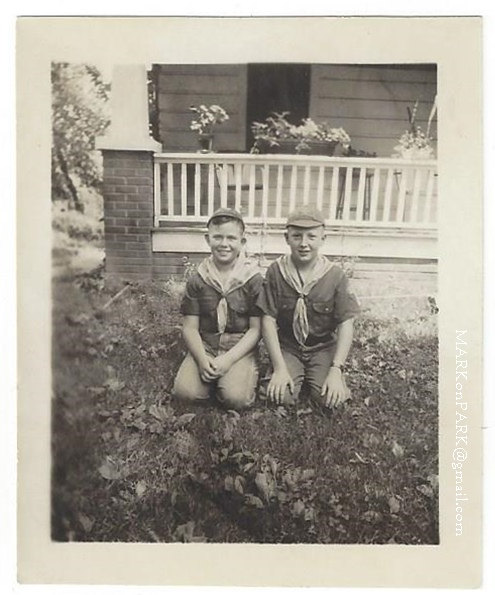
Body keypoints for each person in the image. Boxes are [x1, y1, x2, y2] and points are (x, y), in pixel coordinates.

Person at [256, 206, 360, 409]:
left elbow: (346, 324)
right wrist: (278, 367)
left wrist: (336, 369)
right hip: (288, 347)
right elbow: (267, 320)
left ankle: (319, 375)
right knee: (280, 398)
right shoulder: (277, 272)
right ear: (287, 238)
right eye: (296, 236)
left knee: (331, 402)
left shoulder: (335, 275)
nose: (304, 244)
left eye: (311, 236)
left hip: (322, 347)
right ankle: (289, 373)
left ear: (323, 238)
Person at [174, 208, 263, 410]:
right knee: (185, 393)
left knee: (235, 399)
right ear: (208, 239)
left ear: (242, 242)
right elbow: (189, 328)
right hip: (207, 345)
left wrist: (229, 359)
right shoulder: (198, 278)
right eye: (218, 237)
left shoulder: (253, 279)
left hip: (238, 348)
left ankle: (236, 376)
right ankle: (208, 376)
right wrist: (202, 359)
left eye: (231, 238)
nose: (224, 244)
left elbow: (256, 330)